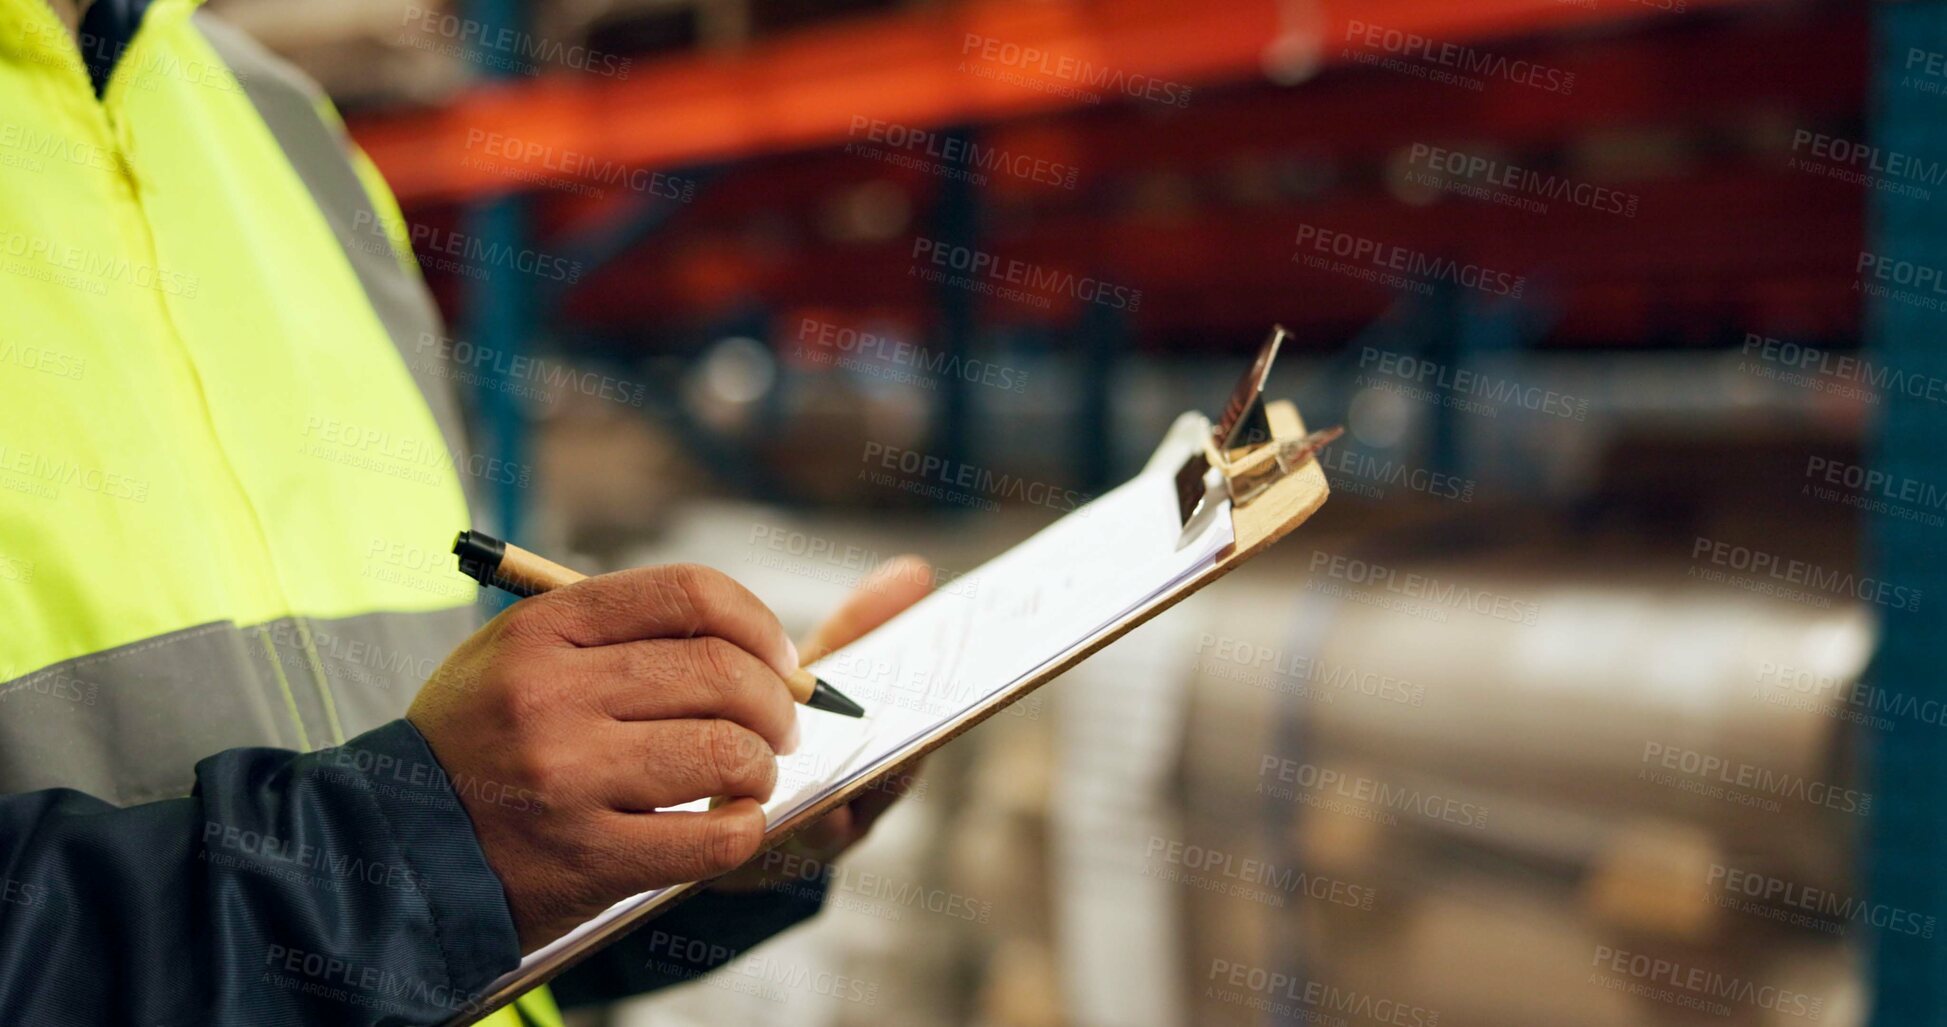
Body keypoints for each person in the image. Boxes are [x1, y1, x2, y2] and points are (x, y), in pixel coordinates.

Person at [0, 2, 926, 1023]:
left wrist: (667, 849)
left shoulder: (278, 123)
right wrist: (409, 850)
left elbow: (449, 910)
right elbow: (408, 861)